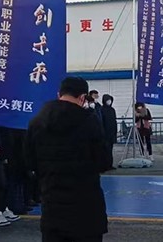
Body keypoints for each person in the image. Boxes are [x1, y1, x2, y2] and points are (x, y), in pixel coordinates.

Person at [25, 76, 109, 242]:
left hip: (52, 205)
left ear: (59, 94)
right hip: (86, 207)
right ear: (82, 97)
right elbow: (104, 161)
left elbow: (29, 161)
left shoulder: (37, 122)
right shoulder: (89, 121)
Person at [100, 95, 117, 170]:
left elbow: (114, 121)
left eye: (110, 100)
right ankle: (104, 165)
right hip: (104, 133)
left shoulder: (112, 110)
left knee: (110, 150)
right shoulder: (101, 109)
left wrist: (115, 132)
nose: (109, 101)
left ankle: (110, 164)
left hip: (111, 133)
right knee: (105, 150)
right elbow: (101, 121)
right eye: (107, 100)